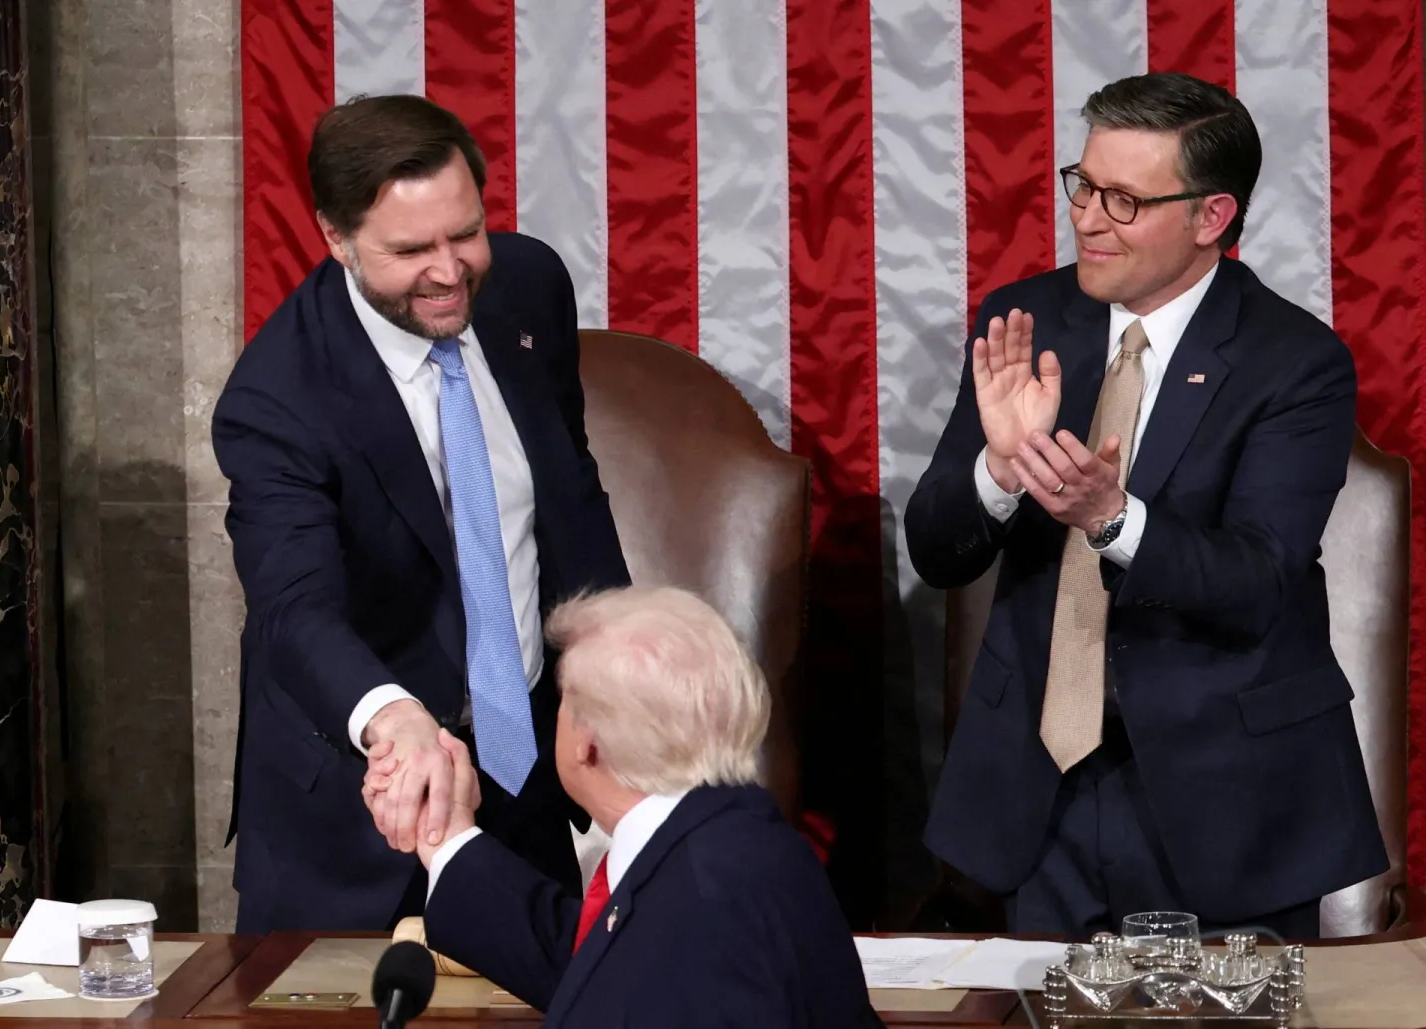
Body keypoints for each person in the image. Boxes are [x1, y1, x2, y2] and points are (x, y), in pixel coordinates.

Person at [906, 72, 1387, 938]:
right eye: (1083, 185)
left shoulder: (1295, 363)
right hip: (1035, 794)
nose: (1087, 217)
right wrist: (1001, 468)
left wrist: (1112, 517)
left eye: (1123, 200)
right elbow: (939, 551)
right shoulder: (1025, 319)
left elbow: (1257, 576)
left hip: (1225, 799)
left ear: (1211, 218)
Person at [212, 94, 629, 933]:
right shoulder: (277, 400)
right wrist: (392, 717)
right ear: (336, 238)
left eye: (464, 233)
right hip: (362, 817)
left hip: (524, 785)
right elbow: (294, 609)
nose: (450, 270)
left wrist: (624, 672)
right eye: (410, 250)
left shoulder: (527, 289)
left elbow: (568, 500)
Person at [365, 586, 880, 1027]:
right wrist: (447, 836)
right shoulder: (738, 844)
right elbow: (596, 962)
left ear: (587, 742)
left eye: (562, 696)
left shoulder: (705, 907)